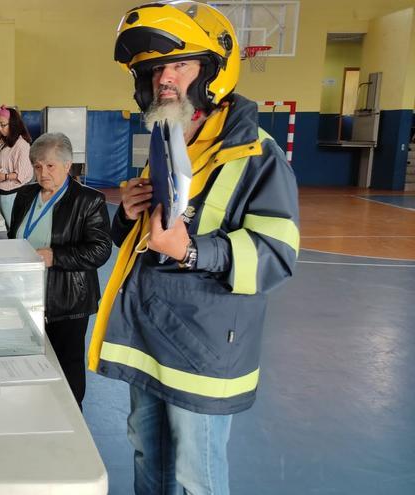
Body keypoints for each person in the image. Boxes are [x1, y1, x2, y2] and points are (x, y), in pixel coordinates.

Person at [87, 3, 300, 494]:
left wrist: (192, 251)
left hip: (204, 349)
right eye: (155, 69)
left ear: (211, 71)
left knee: (196, 477)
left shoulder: (257, 154)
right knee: (149, 458)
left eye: (179, 64)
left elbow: (276, 255)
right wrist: (128, 216)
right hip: (148, 338)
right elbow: (148, 240)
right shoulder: (169, 141)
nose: (164, 78)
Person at [8, 133, 111, 409]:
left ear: (67, 165)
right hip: (25, 296)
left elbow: (101, 250)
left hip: (67, 299)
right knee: (30, 361)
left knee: (68, 364)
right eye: (38, 166)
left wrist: (56, 257)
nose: (43, 173)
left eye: (50, 166)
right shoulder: (25, 195)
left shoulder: (88, 200)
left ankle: (72, 415)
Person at [0, 105, 34, 227]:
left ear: (14, 125)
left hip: (14, 194)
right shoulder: (6, 143)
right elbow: (4, 164)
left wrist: (4, 177)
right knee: (9, 228)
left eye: (3, 125)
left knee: (15, 228)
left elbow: (22, 174)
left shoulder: (22, 145)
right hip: (2, 191)